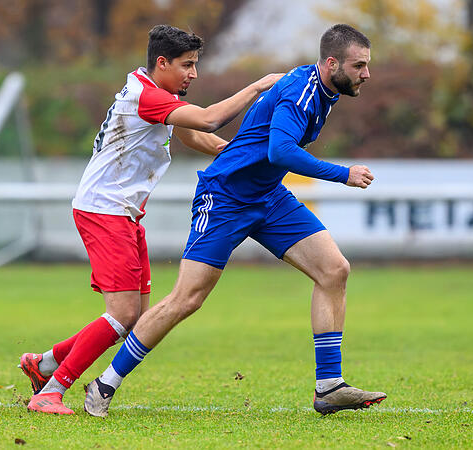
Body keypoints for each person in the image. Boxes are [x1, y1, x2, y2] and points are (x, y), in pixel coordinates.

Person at [83, 23, 386, 417]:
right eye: (359, 66)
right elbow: (280, 152)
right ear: (332, 64)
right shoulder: (303, 92)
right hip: (225, 197)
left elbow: (267, 150)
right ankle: (104, 384)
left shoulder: (324, 88)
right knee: (186, 299)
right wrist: (342, 174)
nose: (367, 74)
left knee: (334, 270)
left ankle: (328, 386)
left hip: (268, 196)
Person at [18, 24, 282, 415]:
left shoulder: (153, 94)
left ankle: (45, 365)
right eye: (187, 65)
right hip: (104, 210)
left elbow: (197, 136)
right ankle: (51, 392)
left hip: (120, 211)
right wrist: (257, 87)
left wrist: (239, 156)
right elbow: (208, 120)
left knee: (134, 316)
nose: (194, 73)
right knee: (123, 313)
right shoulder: (148, 96)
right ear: (162, 63)